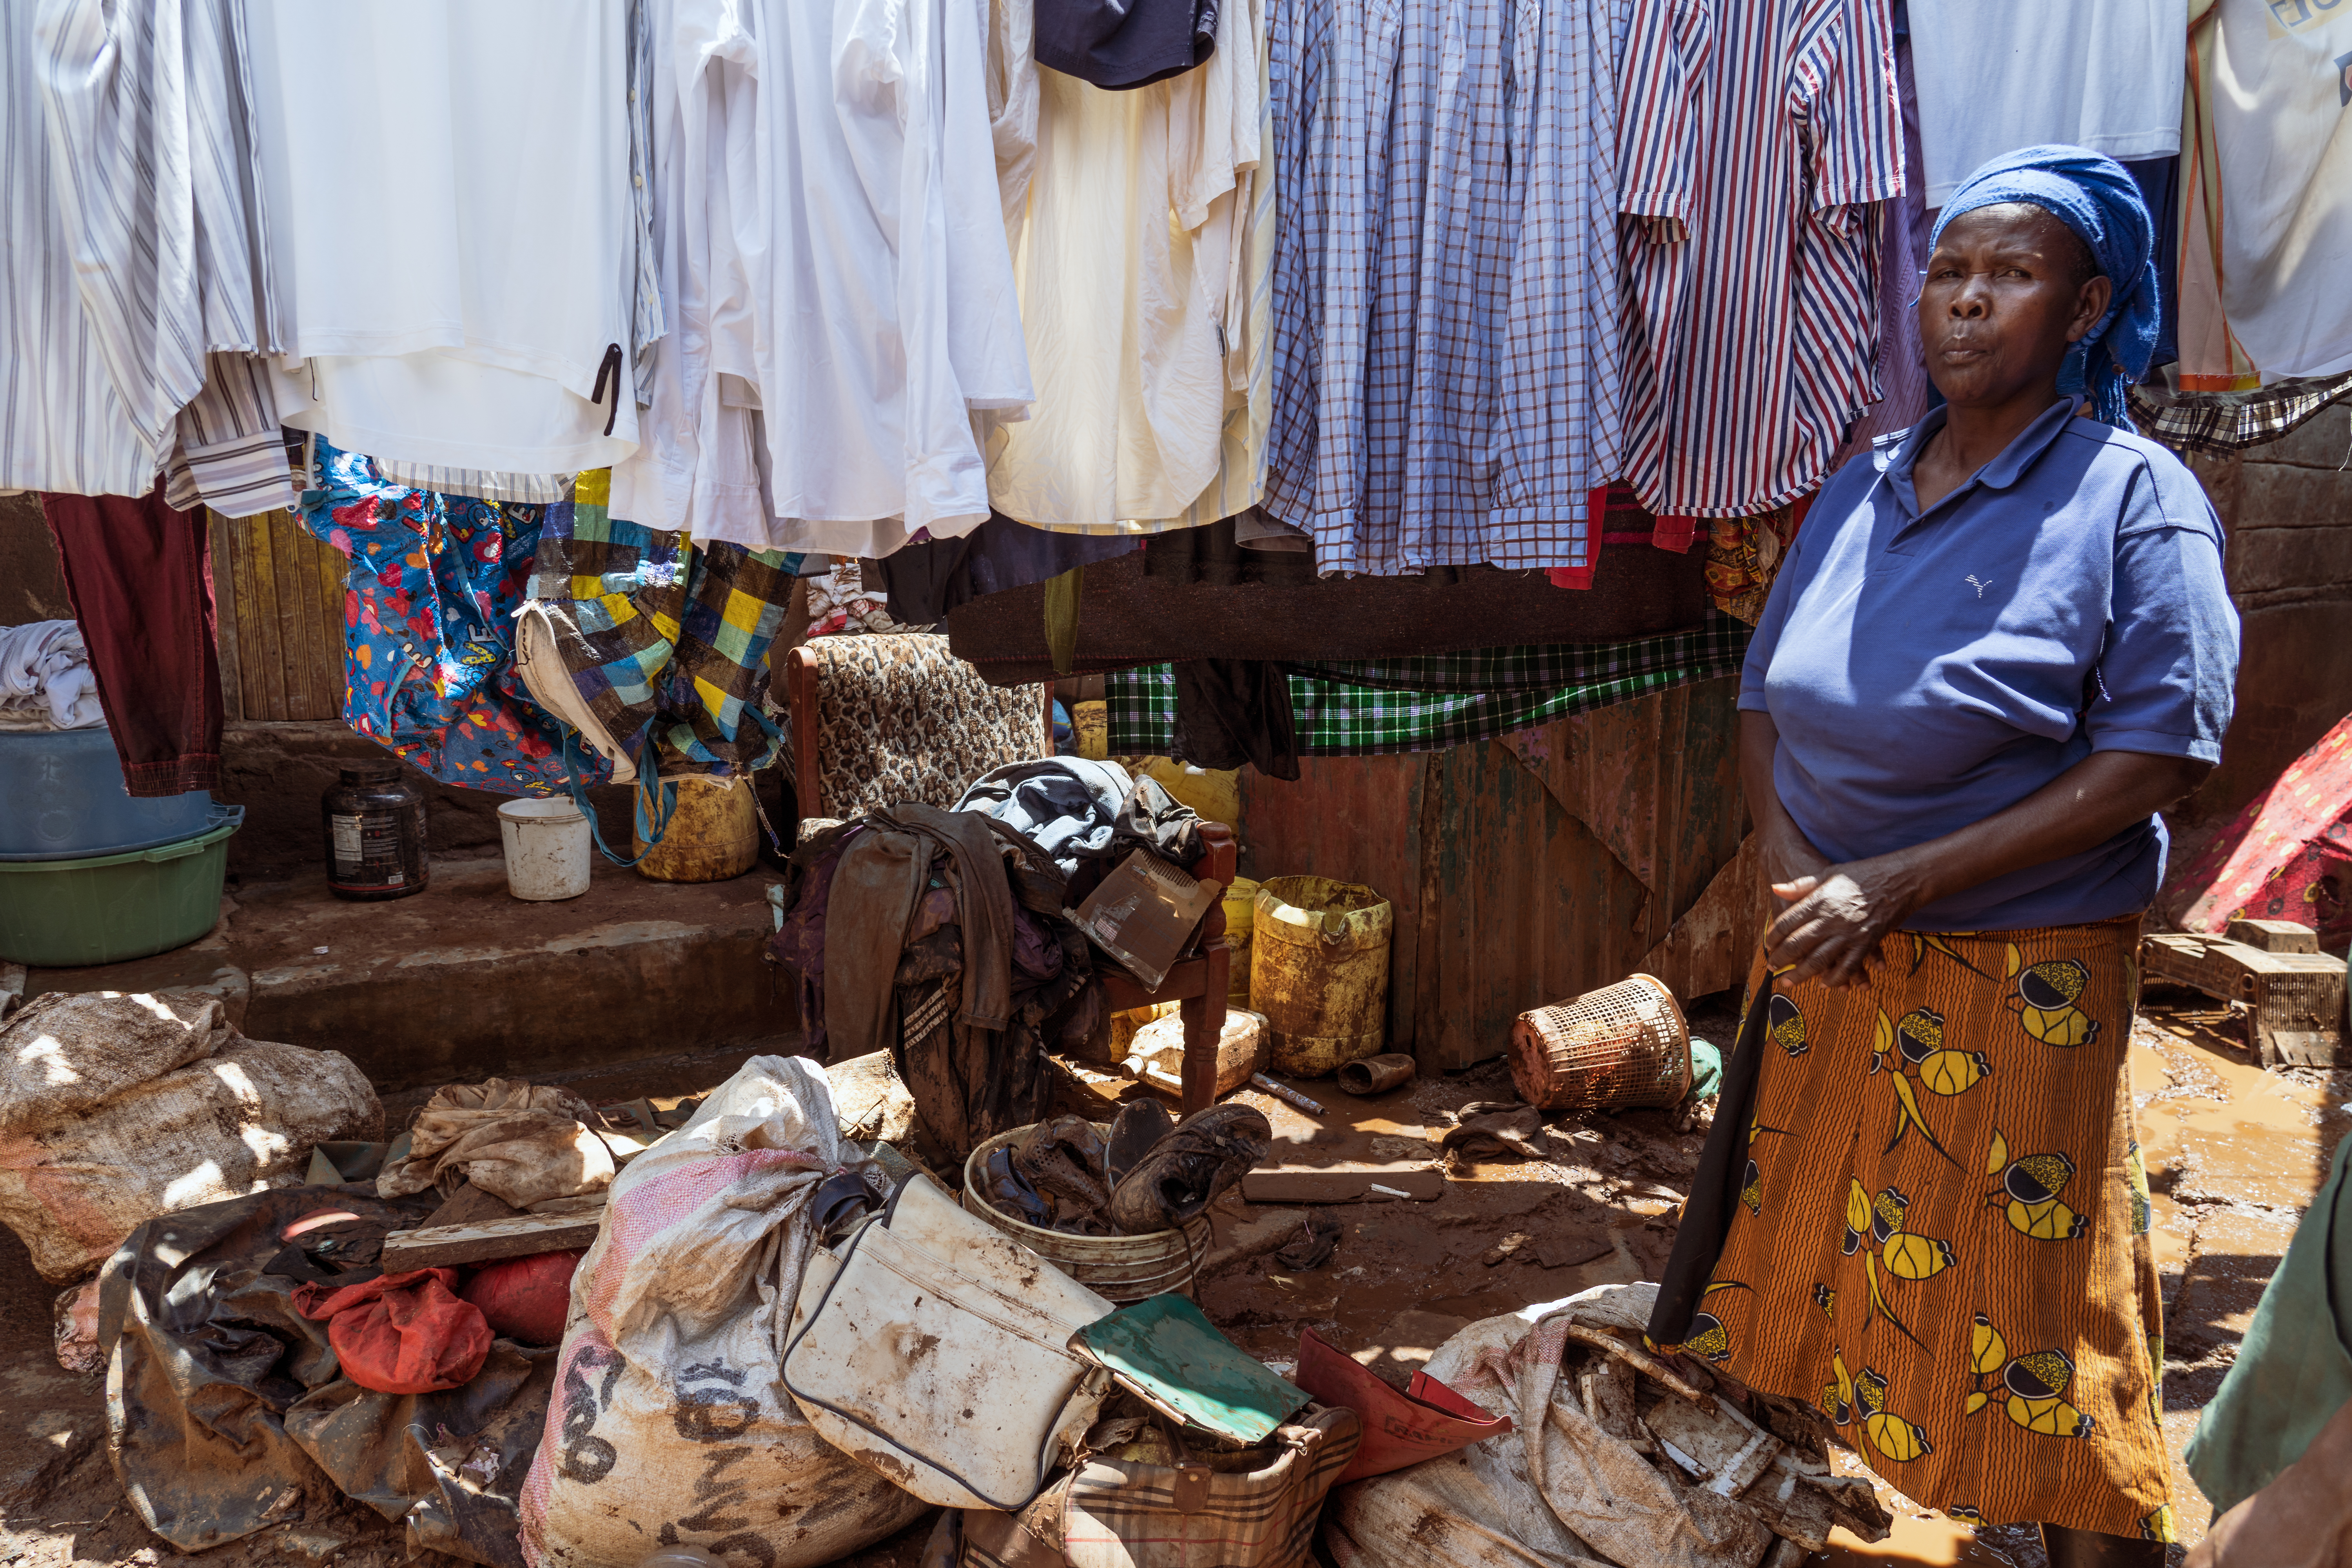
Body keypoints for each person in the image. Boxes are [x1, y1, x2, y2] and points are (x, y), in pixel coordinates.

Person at [1647, 146, 2239, 1568]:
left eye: (2013, 275)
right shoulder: (1858, 488)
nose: (1968, 303)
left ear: (2089, 305)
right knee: (1827, 1271)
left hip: (2018, 971)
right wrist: (1798, 867)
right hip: (1836, 956)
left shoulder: (2131, 501)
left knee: (2035, 1310)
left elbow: (2156, 758)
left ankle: (2100, 1549)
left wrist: (1900, 880)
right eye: (1951, 271)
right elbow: (1759, 697)